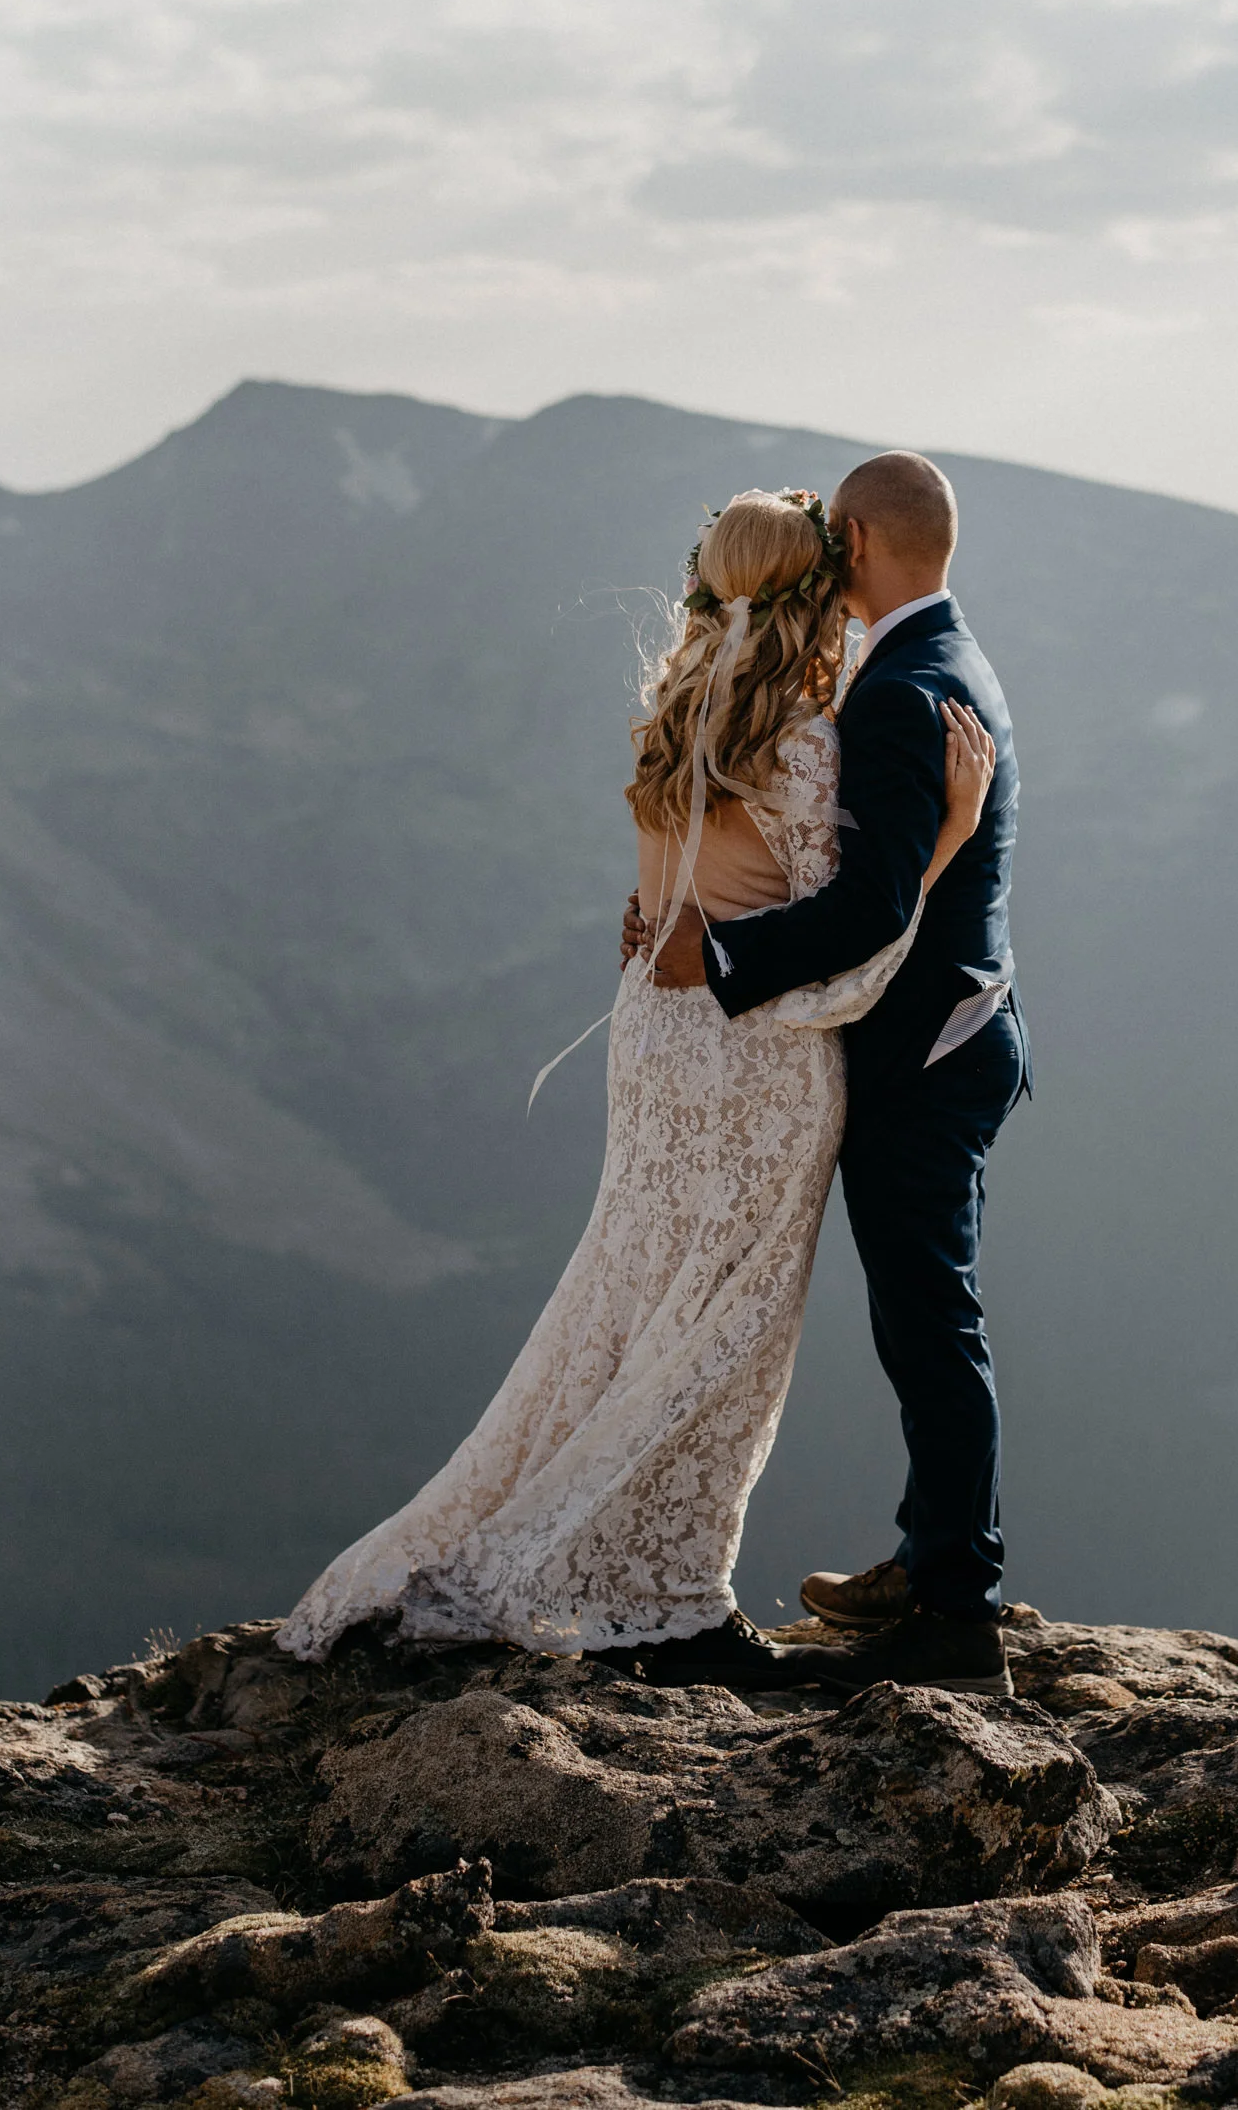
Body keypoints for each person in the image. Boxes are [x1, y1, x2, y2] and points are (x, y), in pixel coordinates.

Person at [275, 487, 994, 1693]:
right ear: (816, 587)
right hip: (746, 1051)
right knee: (726, 1328)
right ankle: (667, 1598)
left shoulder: (676, 710)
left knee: (627, 1293)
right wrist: (948, 834)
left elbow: (682, 899)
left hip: (652, 1037)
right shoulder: (804, 739)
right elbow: (846, 952)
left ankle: (570, 1560)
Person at [638, 451, 1031, 1698]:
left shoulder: (898, 692)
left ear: (852, 541)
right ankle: (928, 1561)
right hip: (950, 1036)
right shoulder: (946, 659)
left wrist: (722, 953)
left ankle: (957, 1613)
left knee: (929, 1321)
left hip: (925, 1050)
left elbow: (868, 905)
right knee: (920, 1315)